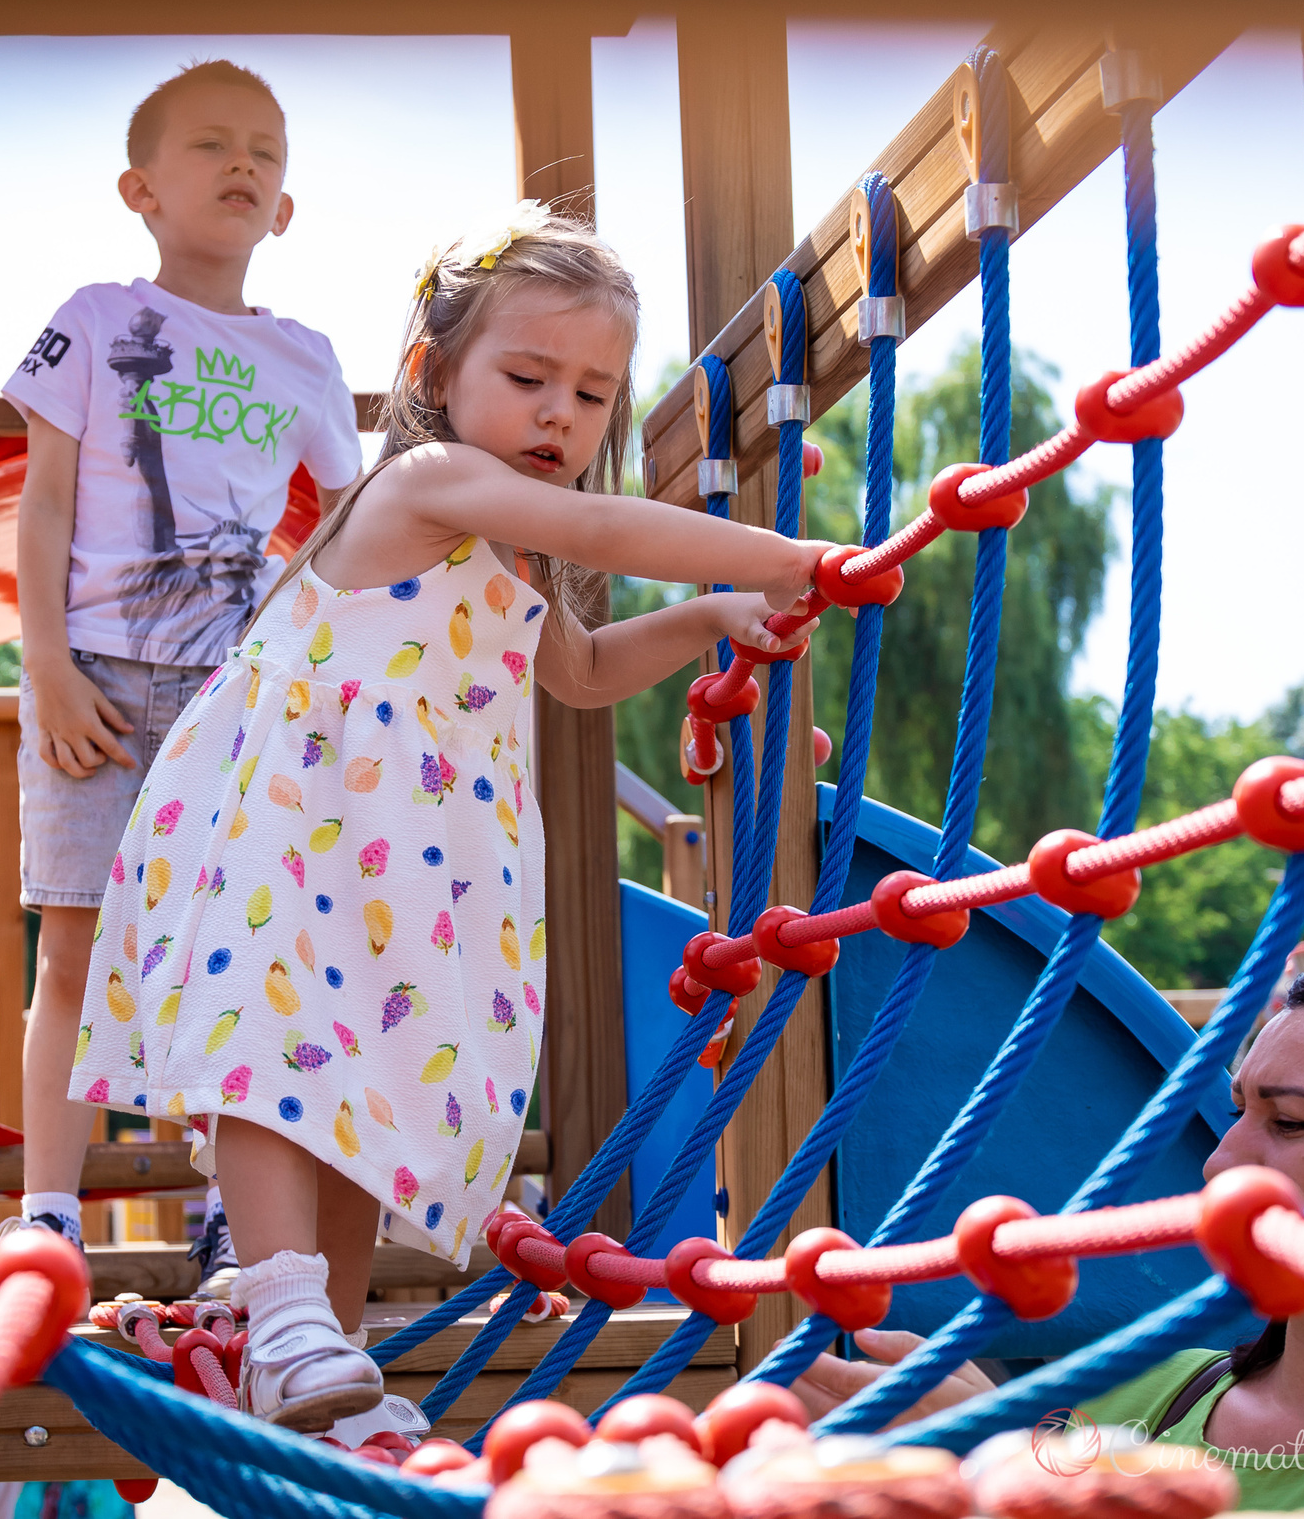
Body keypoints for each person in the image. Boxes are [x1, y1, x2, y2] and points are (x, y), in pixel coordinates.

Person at [69, 204, 830, 1431]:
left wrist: (703, 621)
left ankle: (325, 1358)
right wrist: (780, 556)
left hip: (408, 860)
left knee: (365, 1076)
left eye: (592, 395)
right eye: (528, 377)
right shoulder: (426, 482)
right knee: (278, 1043)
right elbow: (598, 525)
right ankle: (277, 1306)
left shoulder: (507, 553)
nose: (560, 417)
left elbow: (575, 671)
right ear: (433, 374)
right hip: (295, 820)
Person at [3, 59, 362, 1257]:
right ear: (140, 188)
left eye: (265, 152)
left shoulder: (304, 356)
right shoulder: (96, 321)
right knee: (71, 943)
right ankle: (46, 1212)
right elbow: (44, 504)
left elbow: (346, 524)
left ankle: (227, 1214)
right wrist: (45, 664)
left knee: (234, 944)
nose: (244, 166)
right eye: (211, 145)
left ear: (287, 208)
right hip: (94, 678)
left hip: (236, 695)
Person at [793, 936, 1304, 1507]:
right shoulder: (1146, 1387)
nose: (1219, 1163)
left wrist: (1005, 1462)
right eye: (1238, 1109)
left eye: (1291, 1121)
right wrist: (983, 1455)